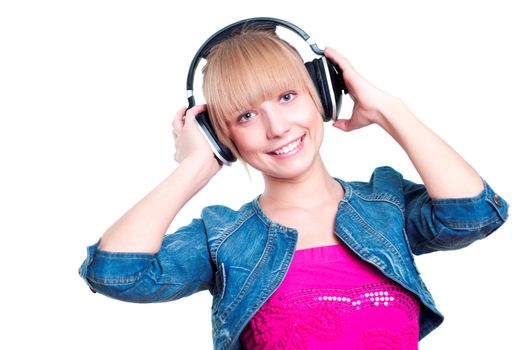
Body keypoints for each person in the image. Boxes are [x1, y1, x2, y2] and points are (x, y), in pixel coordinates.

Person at [79, 20, 509, 350]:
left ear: (322, 94)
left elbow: (475, 214)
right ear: (222, 134)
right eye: (245, 116)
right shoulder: (224, 238)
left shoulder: (386, 205)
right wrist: (195, 165)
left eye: (288, 97)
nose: (277, 127)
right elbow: (116, 273)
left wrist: (387, 110)